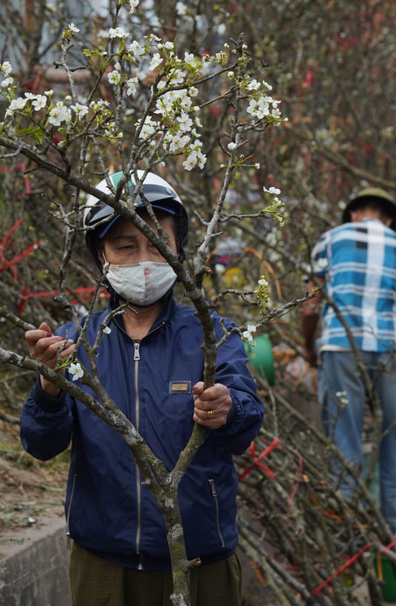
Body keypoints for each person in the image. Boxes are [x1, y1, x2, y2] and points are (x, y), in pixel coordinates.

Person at [20, 170, 264, 606]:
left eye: (157, 243)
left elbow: (245, 427)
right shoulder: (77, 342)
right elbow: (40, 444)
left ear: (178, 247)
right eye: (125, 246)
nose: (143, 261)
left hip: (201, 563)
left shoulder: (213, 336)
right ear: (101, 255)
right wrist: (49, 387)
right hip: (104, 565)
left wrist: (227, 409)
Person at [302, 187, 396, 542]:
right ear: (386, 217)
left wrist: (309, 348)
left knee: (344, 441)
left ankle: (349, 541)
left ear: (354, 213)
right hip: (392, 348)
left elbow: (310, 305)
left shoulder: (329, 239)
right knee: (394, 443)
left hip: (341, 345)